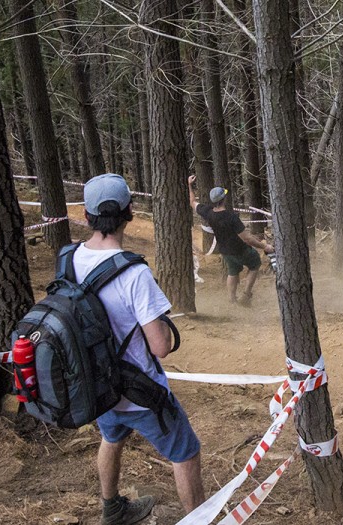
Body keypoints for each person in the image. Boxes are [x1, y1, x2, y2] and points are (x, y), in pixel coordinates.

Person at [77, 173, 204, 525]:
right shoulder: (134, 274)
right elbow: (160, 346)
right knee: (186, 453)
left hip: (98, 383)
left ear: (87, 217)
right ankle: (197, 520)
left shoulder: (69, 260)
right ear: (129, 212)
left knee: (111, 437)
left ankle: (111, 508)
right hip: (139, 390)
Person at [187, 175, 273, 306]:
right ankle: (246, 295)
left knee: (232, 272)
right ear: (223, 199)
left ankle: (232, 300)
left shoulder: (208, 212)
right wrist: (264, 247)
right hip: (240, 249)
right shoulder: (232, 217)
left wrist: (189, 185)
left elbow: (192, 202)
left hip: (225, 251)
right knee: (255, 264)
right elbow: (247, 238)